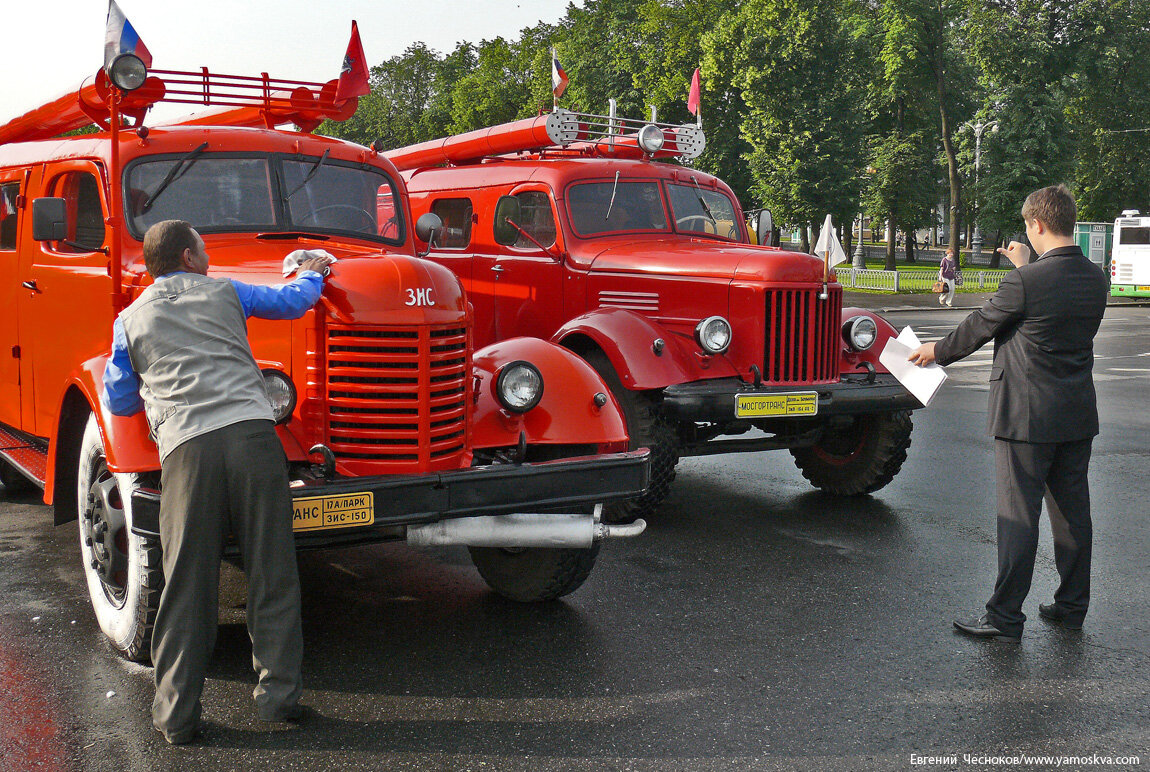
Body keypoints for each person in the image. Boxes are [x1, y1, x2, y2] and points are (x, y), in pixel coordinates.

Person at [101, 220, 333, 743]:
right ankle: (278, 701)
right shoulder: (226, 291)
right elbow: (291, 301)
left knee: (187, 582)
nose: (207, 256)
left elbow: (119, 400)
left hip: (187, 452)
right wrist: (312, 274)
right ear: (187, 256)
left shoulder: (129, 321)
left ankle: (176, 718)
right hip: (254, 440)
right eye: (202, 249)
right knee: (271, 572)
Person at [907, 185, 1108, 644]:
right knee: (1072, 515)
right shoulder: (1095, 277)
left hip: (1026, 419)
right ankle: (1072, 607)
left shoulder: (1025, 282)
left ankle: (1004, 617)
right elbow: (1046, 303)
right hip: (1075, 415)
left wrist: (934, 351)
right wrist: (1027, 267)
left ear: (1036, 224)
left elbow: (980, 325)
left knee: (1018, 517)